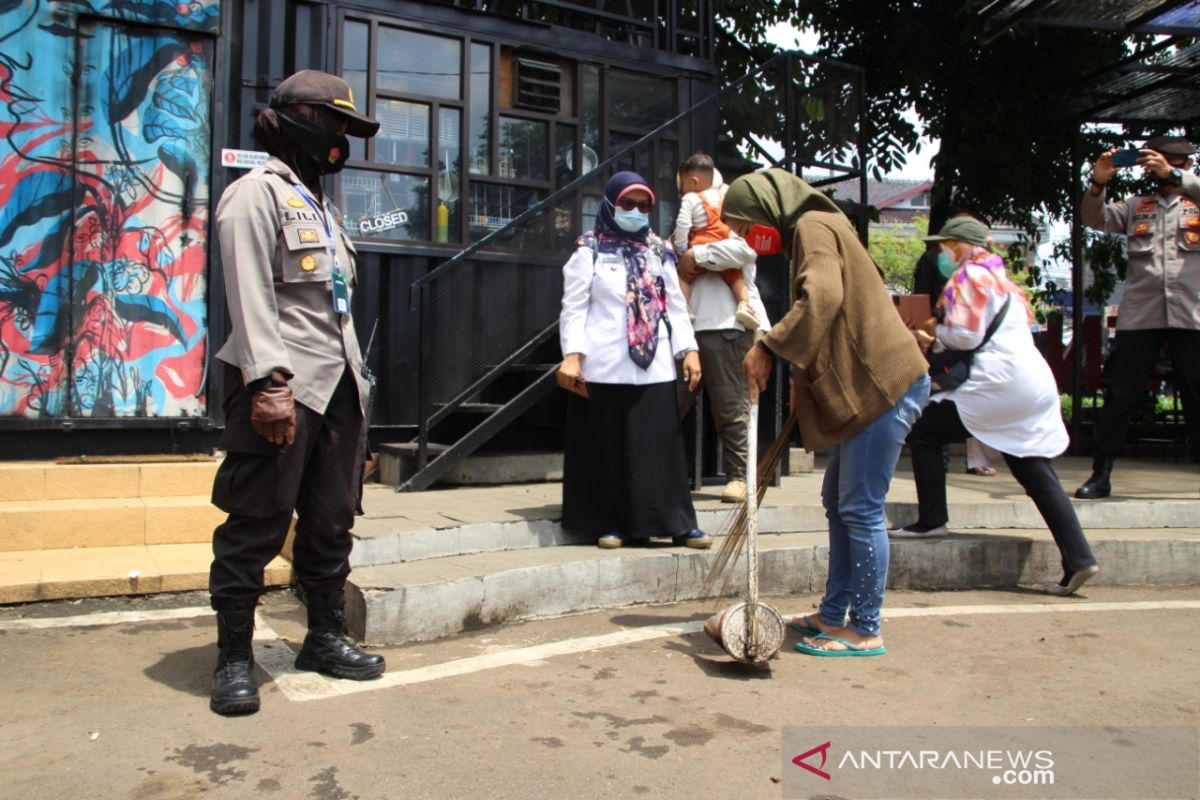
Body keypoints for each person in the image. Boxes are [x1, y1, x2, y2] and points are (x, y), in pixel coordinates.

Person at [207, 70, 386, 716]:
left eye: (349, 128)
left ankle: (324, 638)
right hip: (283, 387)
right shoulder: (255, 195)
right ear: (298, 119)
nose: (343, 138)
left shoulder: (322, 209)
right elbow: (251, 295)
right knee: (257, 519)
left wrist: (361, 399)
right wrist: (266, 384)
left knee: (332, 519)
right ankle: (232, 658)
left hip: (337, 390)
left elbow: (335, 313)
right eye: (336, 123)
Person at [728, 168, 930, 657]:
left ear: (766, 210)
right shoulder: (818, 228)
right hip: (869, 391)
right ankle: (834, 611)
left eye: (742, 225)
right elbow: (827, 318)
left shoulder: (813, 226)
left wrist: (769, 349)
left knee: (859, 507)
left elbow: (823, 298)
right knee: (837, 501)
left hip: (881, 390)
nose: (744, 238)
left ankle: (864, 627)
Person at [888, 217, 1100, 597]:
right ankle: (1079, 559)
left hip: (996, 383)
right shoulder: (1003, 281)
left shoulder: (969, 276)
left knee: (924, 431)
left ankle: (932, 519)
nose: (942, 254)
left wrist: (930, 334)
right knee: (1032, 466)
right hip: (1031, 382)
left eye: (947, 246)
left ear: (965, 247)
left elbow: (966, 337)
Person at [558, 171, 710, 550]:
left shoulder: (658, 250)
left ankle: (678, 522)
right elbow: (573, 308)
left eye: (644, 206)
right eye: (628, 204)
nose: (636, 212)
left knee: (661, 447)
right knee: (612, 448)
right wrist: (572, 358)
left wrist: (688, 350)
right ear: (610, 204)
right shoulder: (589, 249)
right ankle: (612, 523)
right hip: (605, 364)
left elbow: (675, 305)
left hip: (654, 363)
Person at [1076, 136, 1200, 499]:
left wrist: (1178, 178)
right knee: (1120, 394)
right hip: (1139, 317)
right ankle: (1101, 474)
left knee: (1197, 393)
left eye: (1178, 163)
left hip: (1192, 315)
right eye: (1162, 163)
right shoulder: (1136, 207)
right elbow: (1092, 217)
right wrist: (1098, 181)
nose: (1168, 169)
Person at [675, 200, 771, 505]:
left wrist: (696, 256)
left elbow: (745, 253)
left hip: (726, 328)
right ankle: (660, 473)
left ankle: (740, 476)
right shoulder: (680, 240)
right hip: (684, 331)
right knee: (670, 405)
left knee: (731, 407)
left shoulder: (732, 235)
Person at [673, 154, 759, 330]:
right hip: (700, 329)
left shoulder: (692, 199)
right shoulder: (722, 203)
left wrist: (689, 252)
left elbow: (747, 253)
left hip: (724, 327)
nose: (682, 192)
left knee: (683, 278)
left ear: (694, 181)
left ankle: (684, 307)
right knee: (736, 277)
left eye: (683, 186)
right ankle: (744, 304)